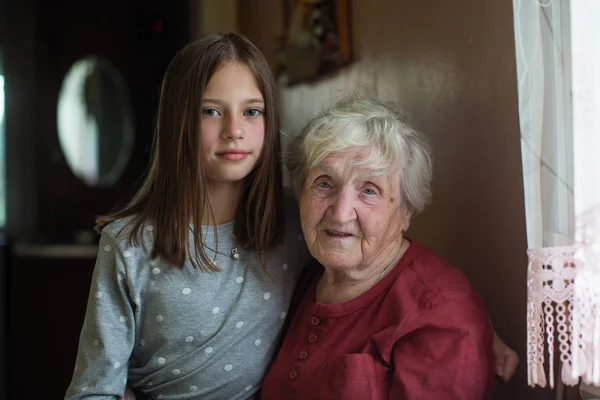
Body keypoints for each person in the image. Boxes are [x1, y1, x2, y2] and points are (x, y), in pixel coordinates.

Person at [66, 33, 517, 400]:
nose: (340, 211)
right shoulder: (299, 240)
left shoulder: (292, 227)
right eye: (323, 183)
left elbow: (424, 297)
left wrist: (475, 331)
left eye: (252, 112)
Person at [260, 95, 498, 399]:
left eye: (369, 190)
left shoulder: (442, 317)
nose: (340, 212)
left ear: (405, 211)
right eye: (324, 183)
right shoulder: (302, 274)